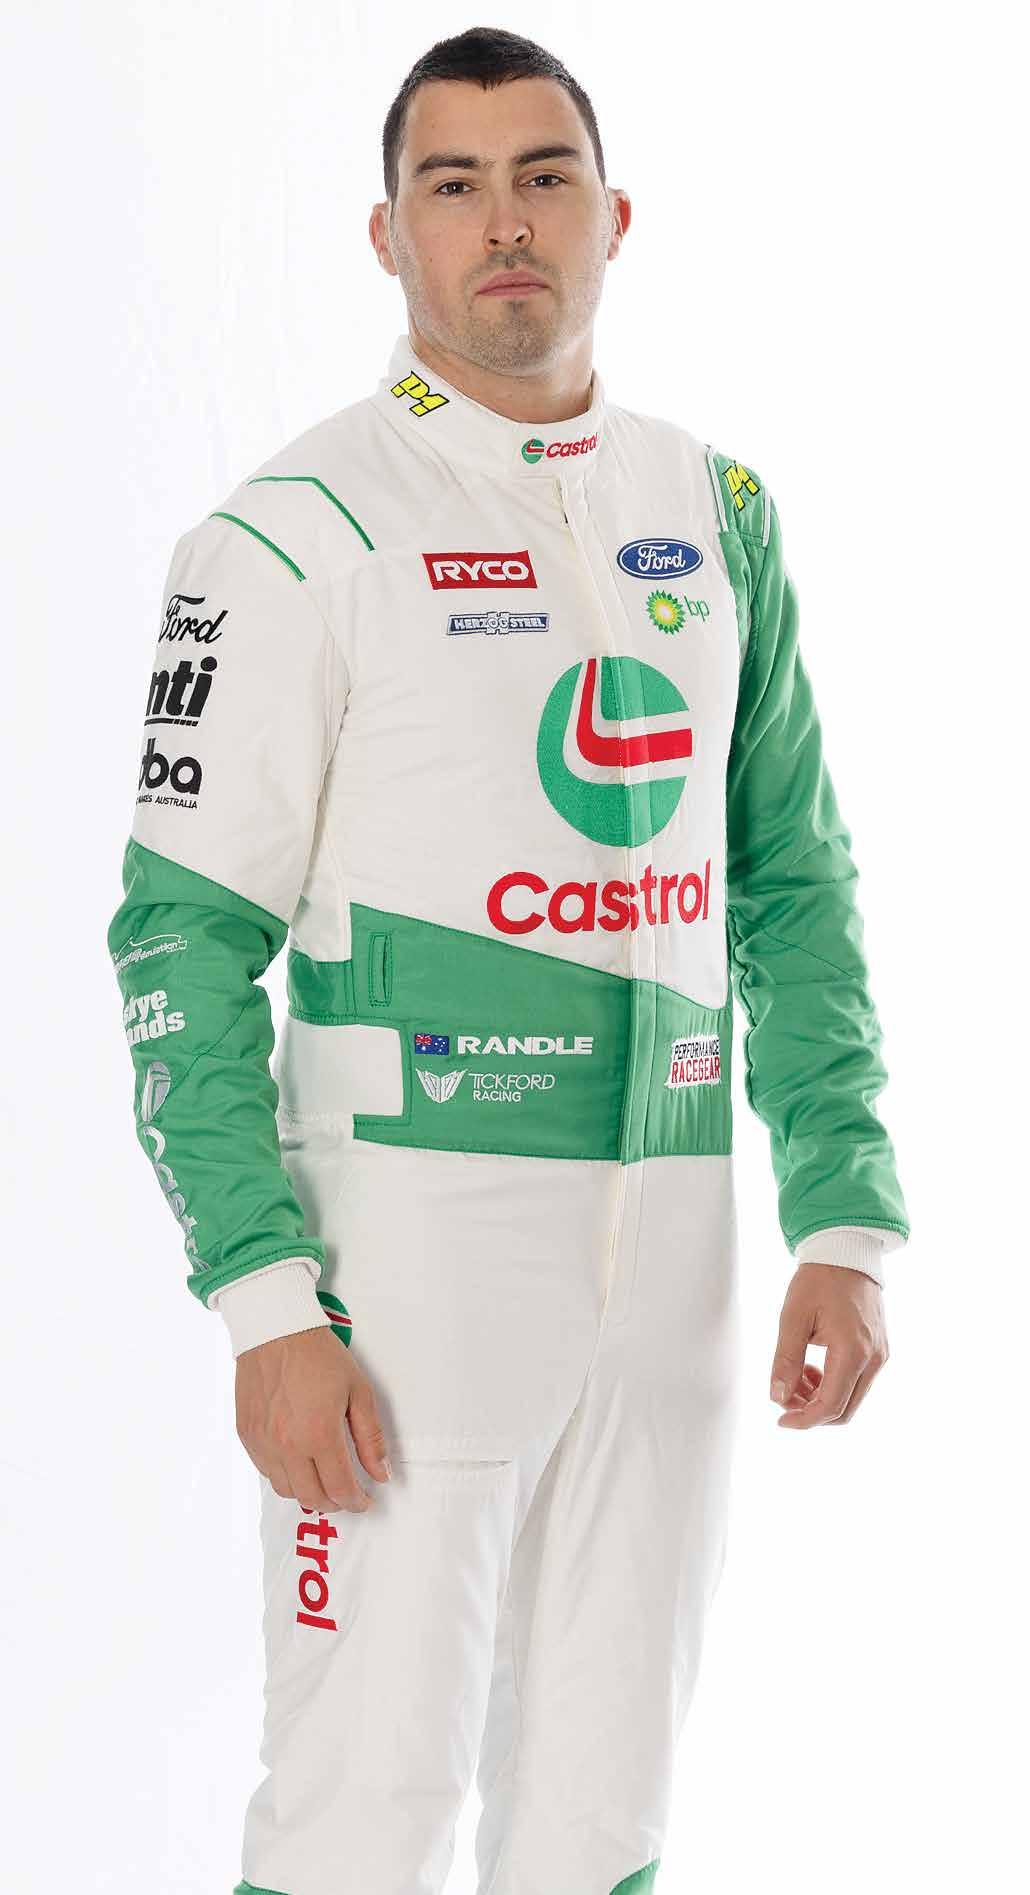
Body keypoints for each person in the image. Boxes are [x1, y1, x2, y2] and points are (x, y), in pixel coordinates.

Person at [107, 25, 910, 1895]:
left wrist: (844, 1217)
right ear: (386, 235)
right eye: (452, 186)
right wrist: (266, 1305)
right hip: (405, 1279)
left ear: (615, 216)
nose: (504, 224)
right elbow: (178, 949)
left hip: (674, 1274)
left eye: (544, 177)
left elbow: (791, 886)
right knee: (360, 1822)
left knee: (601, 1824)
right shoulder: (287, 536)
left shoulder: (713, 512)